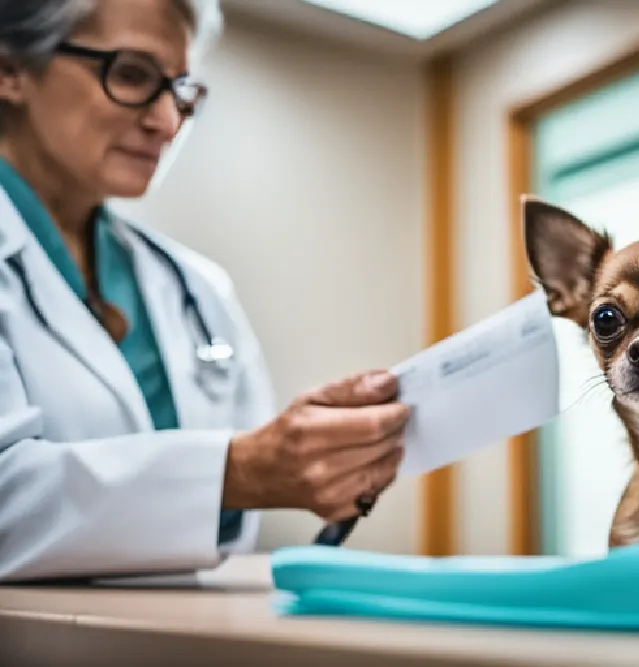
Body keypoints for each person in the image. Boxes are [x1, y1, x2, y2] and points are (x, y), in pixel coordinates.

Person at [0, 0, 409, 582]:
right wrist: (236, 472)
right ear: (11, 70)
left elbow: (239, 507)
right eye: (133, 74)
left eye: (181, 89)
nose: (168, 121)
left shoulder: (196, 286)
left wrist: (311, 465)